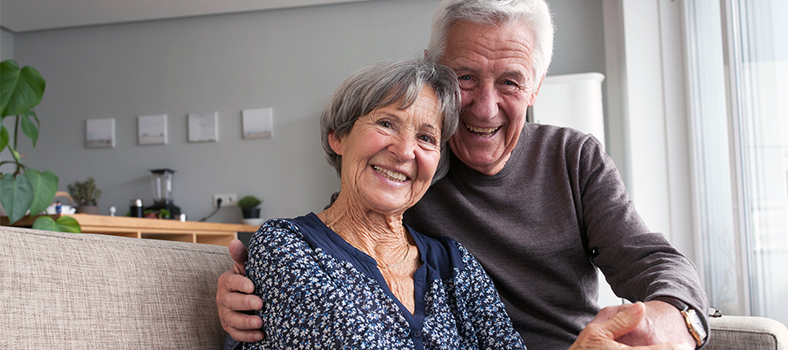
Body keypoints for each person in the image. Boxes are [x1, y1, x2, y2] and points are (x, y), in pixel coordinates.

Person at [218, 1, 709, 349]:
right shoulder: (404, 180)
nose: (485, 106)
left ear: (537, 85)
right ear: (436, 70)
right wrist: (244, 285)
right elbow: (340, 249)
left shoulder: (572, 157)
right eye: (465, 77)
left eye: (511, 81)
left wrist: (676, 320)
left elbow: (650, 259)